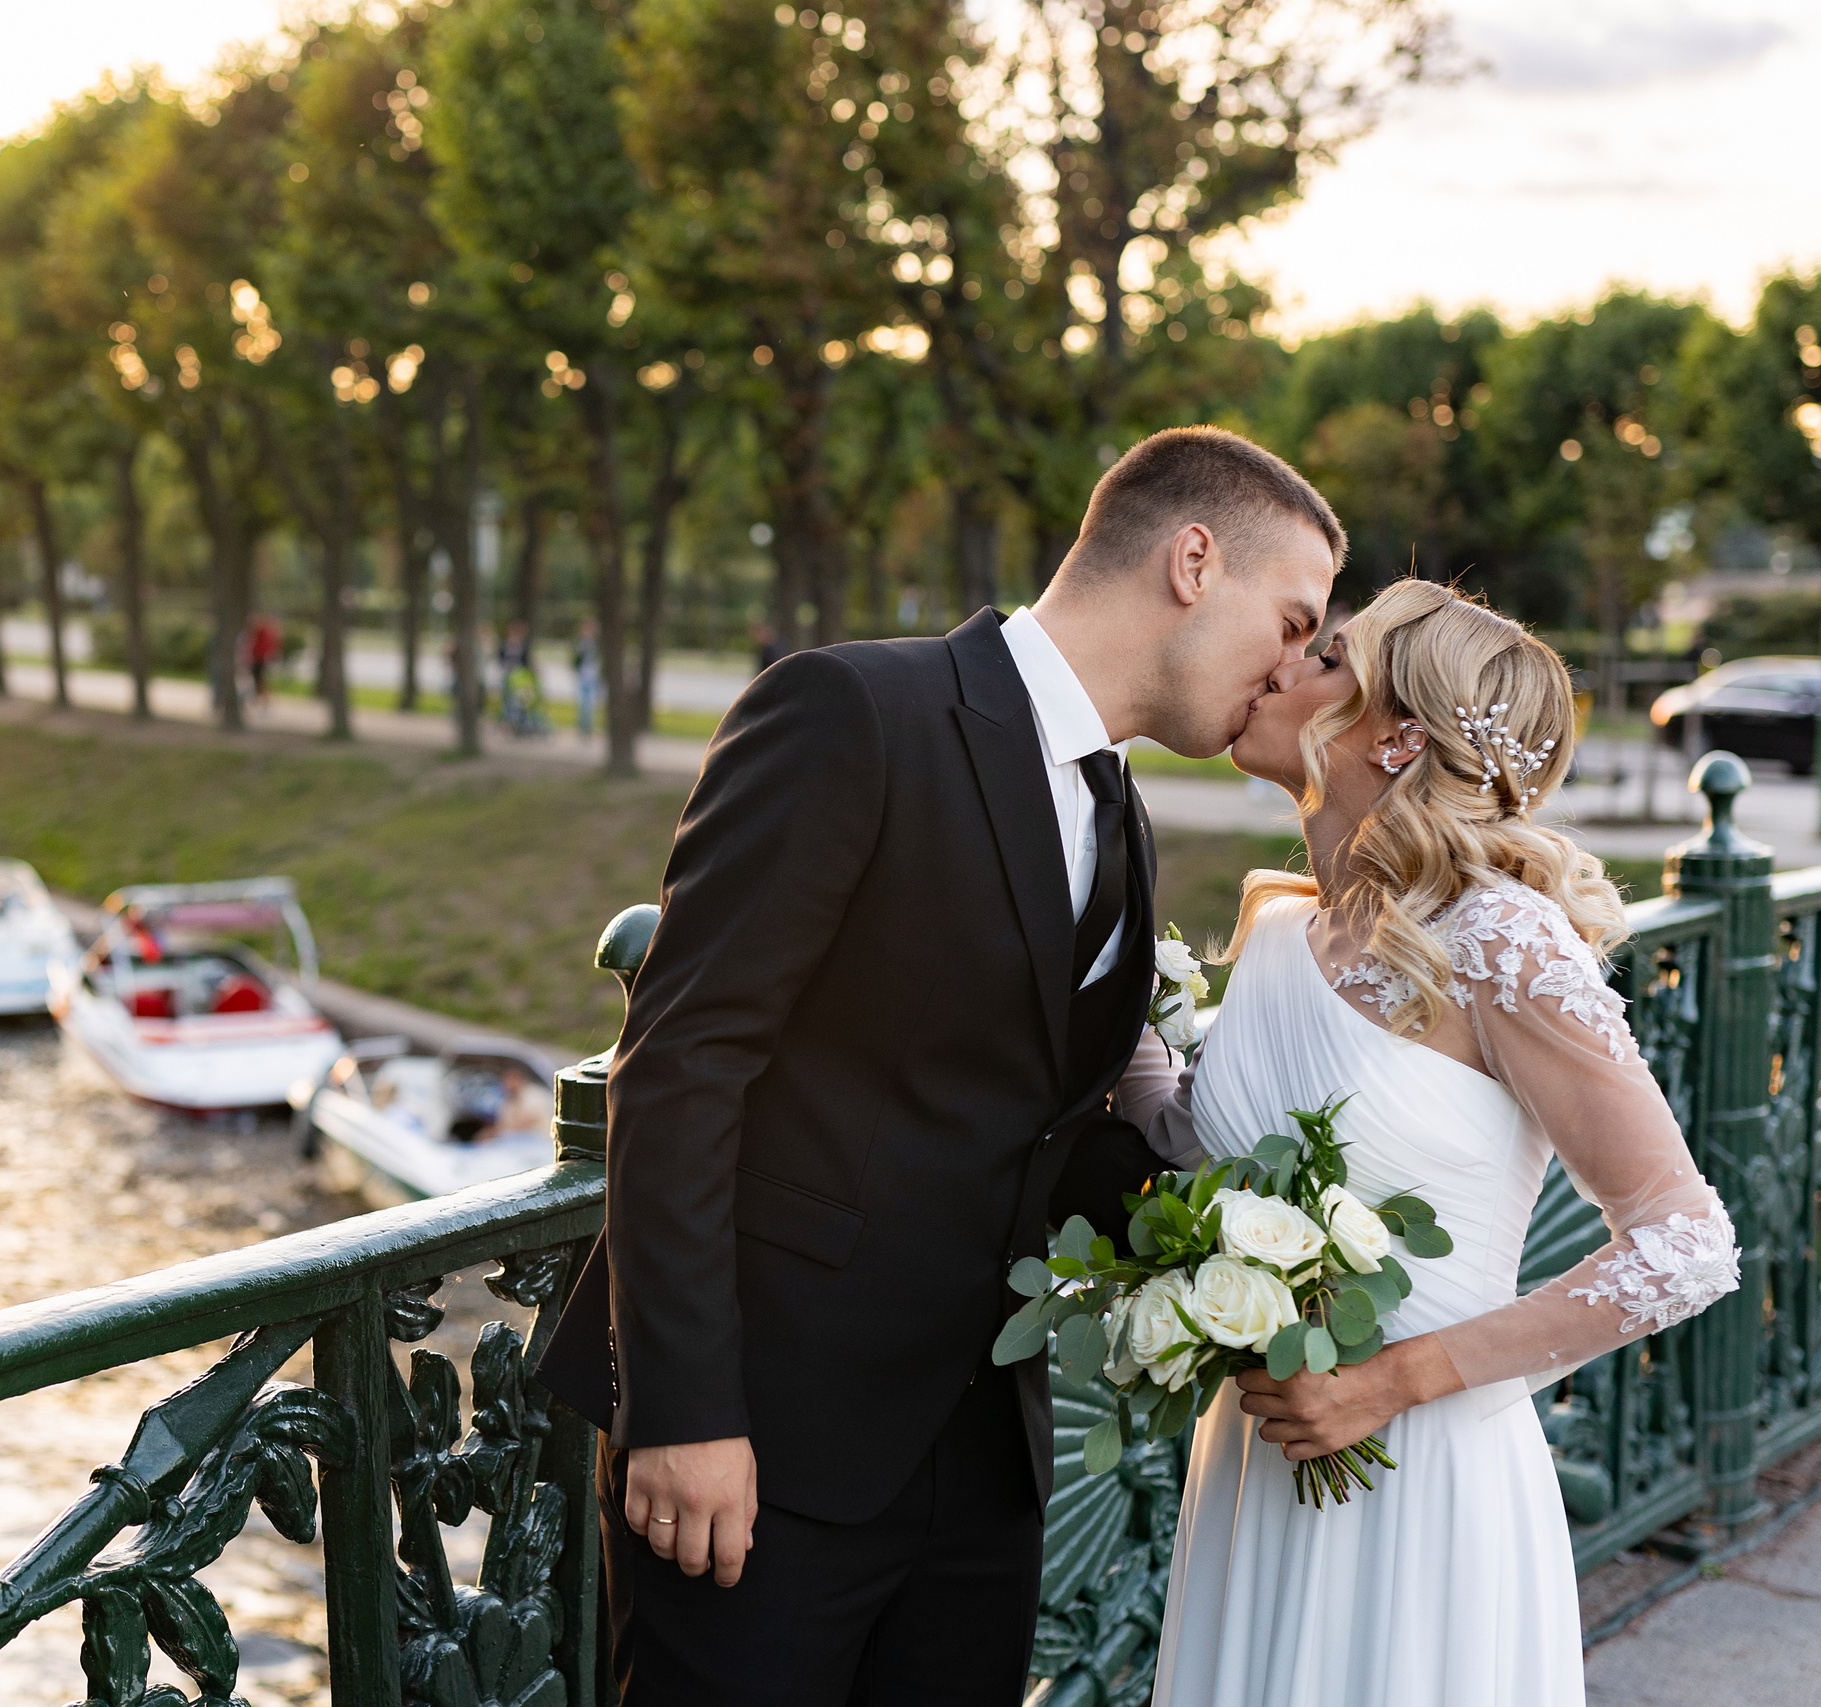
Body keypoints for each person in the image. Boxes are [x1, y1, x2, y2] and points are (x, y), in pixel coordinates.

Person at [536, 426, 1342, 1703]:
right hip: (761, 1451)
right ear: (1194, 560)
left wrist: (1258, 1259)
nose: (1296, 667)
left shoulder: (1120, 817)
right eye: (1293, 622)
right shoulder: (852, 710)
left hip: (982, 1468)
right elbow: (684, 1067)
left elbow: (1041, 1125)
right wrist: (682, 1410)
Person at [1112, 579, 1737, 1706]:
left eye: (1331, 660)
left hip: (1419, 1467)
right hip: (1259, 1462)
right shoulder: (1282, 927)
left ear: (1397, 735)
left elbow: (1685, 1245)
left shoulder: (1497, 937)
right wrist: (1110, 1006)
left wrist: (1389, 1384)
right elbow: (1199, 1150)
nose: (1285, 661)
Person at [573, 617, 602, 742]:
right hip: (583, 676)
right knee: (583, 703)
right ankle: (583, 727)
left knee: (589, 704)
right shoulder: (581, 643)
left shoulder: (597, 644)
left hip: (592, 676)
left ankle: (587, 727)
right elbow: (576, 660)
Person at [244, 609, 281, 703]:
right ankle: (260, 696)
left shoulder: (264, 633)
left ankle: (265, 697)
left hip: (261, 659)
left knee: (260, 679)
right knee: (257, 678)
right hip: (257, 658)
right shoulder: (258, 633)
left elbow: (266, 647)